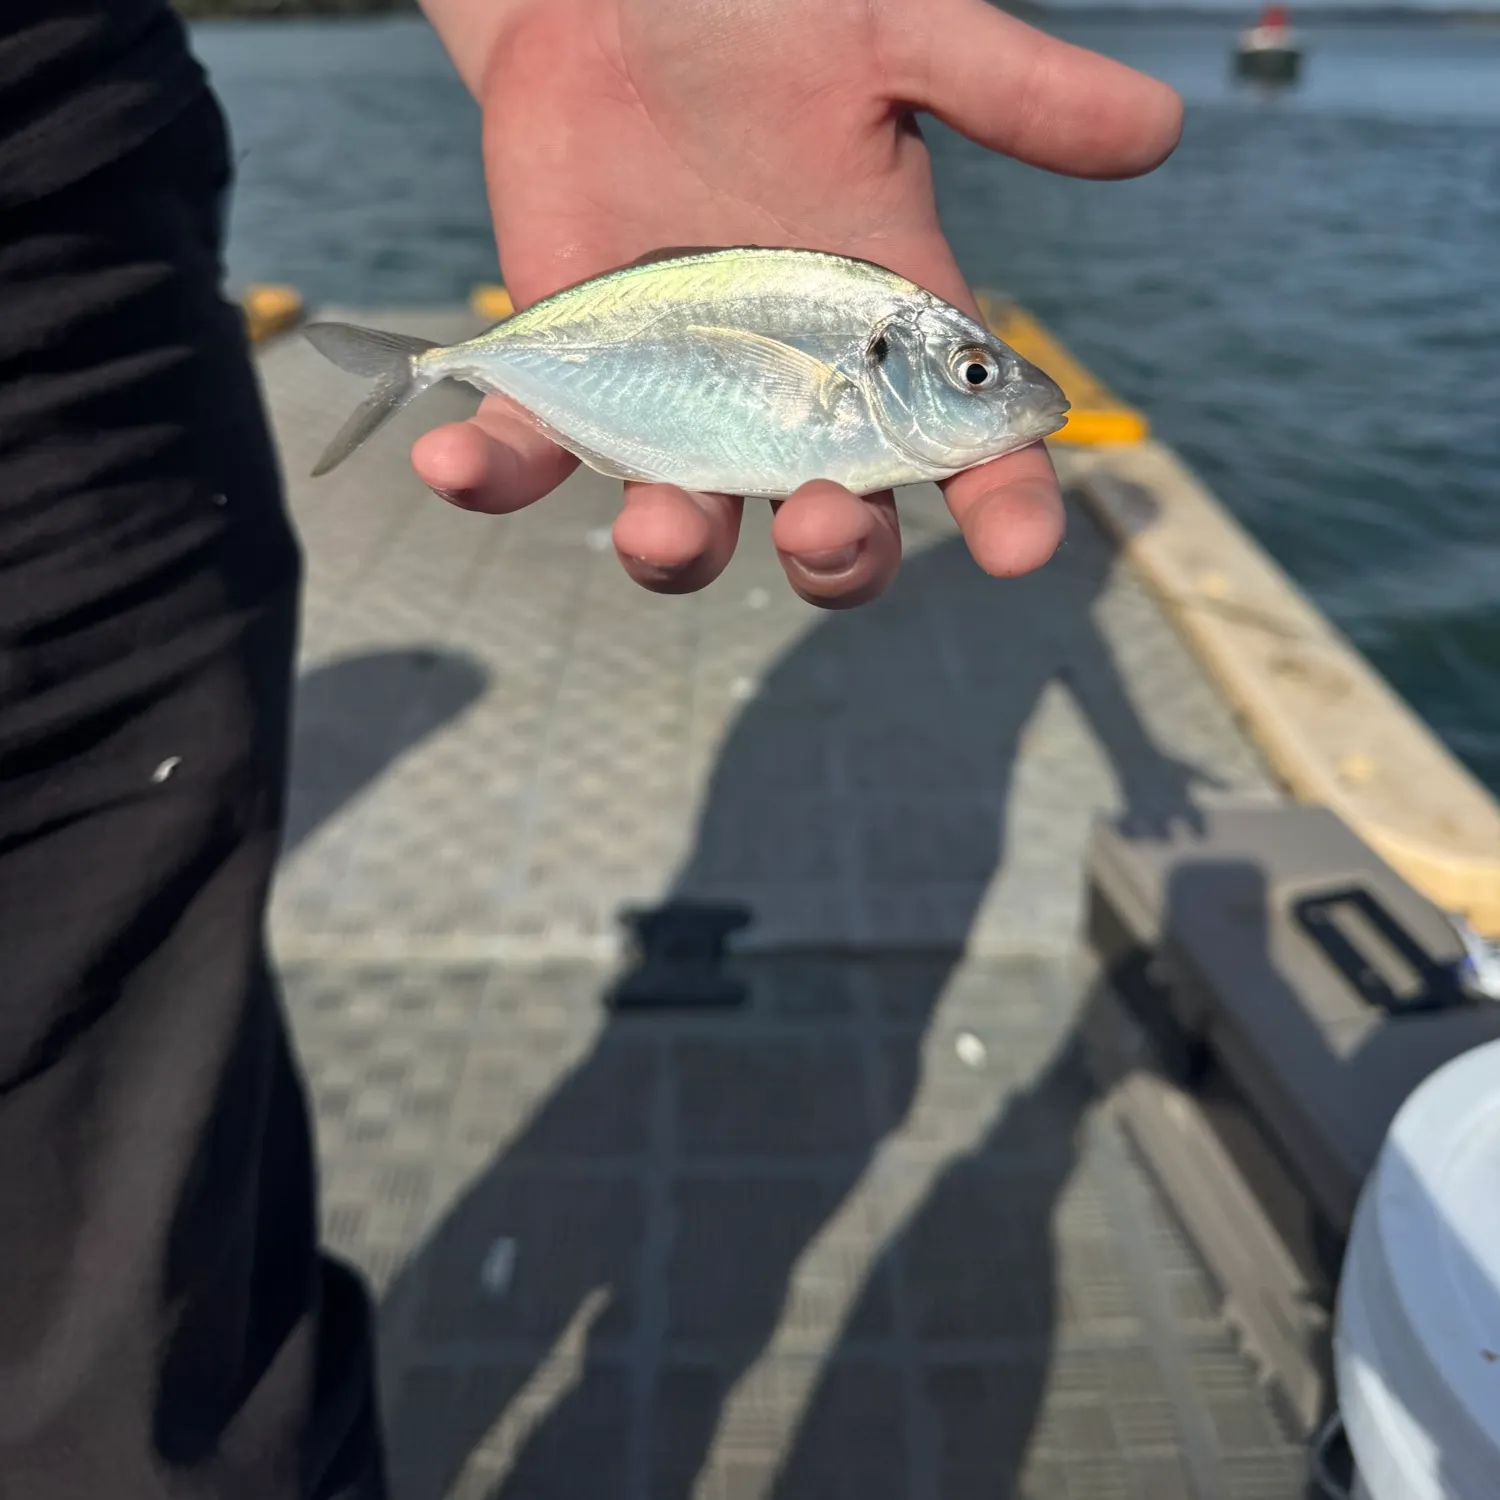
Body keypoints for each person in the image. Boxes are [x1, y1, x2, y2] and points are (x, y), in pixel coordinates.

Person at [0, 1, 1180, 1495]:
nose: (995, 402)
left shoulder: (862, 326)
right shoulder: (857, 335)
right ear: (887, 363)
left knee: (148, 1192)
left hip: (67, 257)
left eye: (974, 383)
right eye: (970, 382)